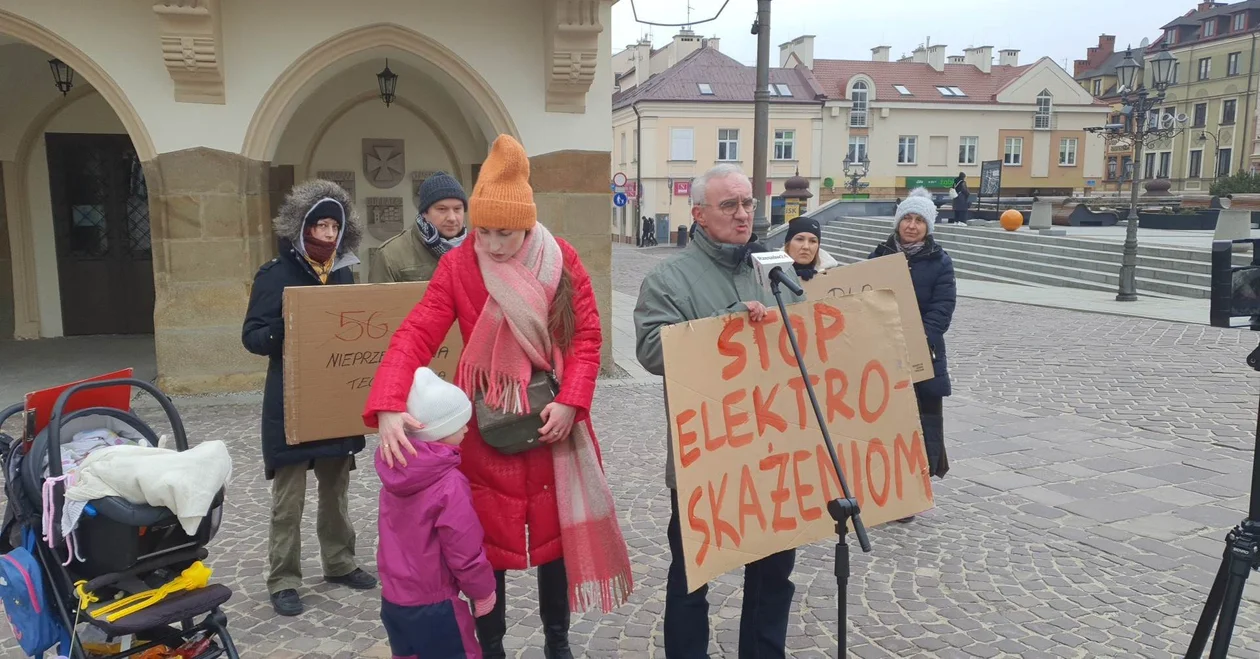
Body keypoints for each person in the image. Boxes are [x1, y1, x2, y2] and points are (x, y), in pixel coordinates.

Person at [362, 134, 633, 659]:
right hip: (486, 427)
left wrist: (573, 400)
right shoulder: (459, 265)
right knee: (490, 549)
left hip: (553, 423)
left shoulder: (562, 260)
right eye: (481, 230)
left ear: (528, 223)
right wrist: (390, 401)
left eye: (503, 232)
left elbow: (586, 339)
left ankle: (558, 643)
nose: (490, 243)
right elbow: (416, 332)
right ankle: (493, 649)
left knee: (554, 551)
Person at [634, 163, 804, 659]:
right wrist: (728, 329)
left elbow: (806, 338)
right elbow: (649, 349)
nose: (743, 214)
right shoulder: (669, 277)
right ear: (700, 215)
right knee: (692, 575)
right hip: (706, 456)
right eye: (729, 205)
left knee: (774, 574)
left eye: (748, 202)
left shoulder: (773, 270)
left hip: (774, 449)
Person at [241, 179, 378, 617]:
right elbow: (252, 337)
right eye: (320, 226)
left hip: (334, 398)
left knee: (336, 488)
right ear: (302, 228)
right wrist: (288, 326)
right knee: (289, 497)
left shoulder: (342, 271)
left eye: (334, 227)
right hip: (291, 401)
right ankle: (283, 578)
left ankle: (340, 561)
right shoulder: (274, 275)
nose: (328, 235)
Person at [376, 367, 497, 659]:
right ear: (439, 432)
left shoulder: (395, 469)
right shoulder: (448, 484)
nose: (468, 429)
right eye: (460, 425)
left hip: (394, 600)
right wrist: (482, 591)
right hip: (436, 602)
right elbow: (463, 547)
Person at [869, 187, 956, 523]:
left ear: (928, 226)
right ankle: (883, 489)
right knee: (887, 425)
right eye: (907, 217)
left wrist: (916, 338)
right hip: (883, 352)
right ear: (898, 221)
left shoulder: (940, 261)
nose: (912, 225)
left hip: (923, 355)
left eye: (920, 220)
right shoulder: (879, 254)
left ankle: (911, 494)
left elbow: (942, 308)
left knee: (920, 426)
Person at [370, 171, 468, 283]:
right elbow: (379, 299)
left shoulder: (479, 250)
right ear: (424, 213)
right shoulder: (389, 254)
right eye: (442, 209)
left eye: (457, 209)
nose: (452, 218)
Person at [781, 216, 839, 281]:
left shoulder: (833, 275)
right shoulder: (770, 275)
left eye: (813, 241)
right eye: (800, 239)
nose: (806, 247)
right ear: (788, 244)